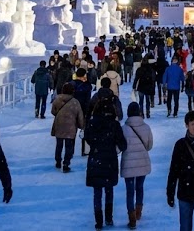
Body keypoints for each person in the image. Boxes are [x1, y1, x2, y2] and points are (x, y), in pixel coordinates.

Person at [86, 97, 128, 229]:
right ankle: (109, 217)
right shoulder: (114, 125)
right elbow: (123, 144)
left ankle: (98, 221)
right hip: (110, 159)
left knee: (97, 191)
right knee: (109, 189)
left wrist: (96, 145)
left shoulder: (92, 123)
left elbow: (87, 138)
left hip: (96, 158)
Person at [121, 102, 153, 230]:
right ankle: (139, 211)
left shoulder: (124, 128)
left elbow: (120, 147)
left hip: (128, 162)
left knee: (130, 190)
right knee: (139, 187)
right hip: (142, 162)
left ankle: (132, 217)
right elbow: (149, 146)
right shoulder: (146, 127)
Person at [52, 82, 86, 173]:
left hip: (59, 125)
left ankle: (58, 161)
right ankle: (66, 163)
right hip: (71, 126)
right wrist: (82, 125)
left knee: (59, 145)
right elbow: (80, 115)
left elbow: (53, 111)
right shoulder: (75, 102)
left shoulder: (57, 99)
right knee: (69, 146)